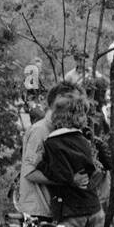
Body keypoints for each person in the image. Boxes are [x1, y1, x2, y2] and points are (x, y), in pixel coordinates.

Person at [29, 93, 104, 227]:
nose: (85, 118)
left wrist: (41, 165)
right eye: (83, 114)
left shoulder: (53, 143)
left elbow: (59, 173)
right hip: (93, 207)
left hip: (72, 211)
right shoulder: (83, 140)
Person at [16, 82, 80, 219]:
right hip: (37, 211)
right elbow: (30, 172)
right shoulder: (40, 131)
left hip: (53, 209)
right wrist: (69, 180)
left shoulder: (58, 130)